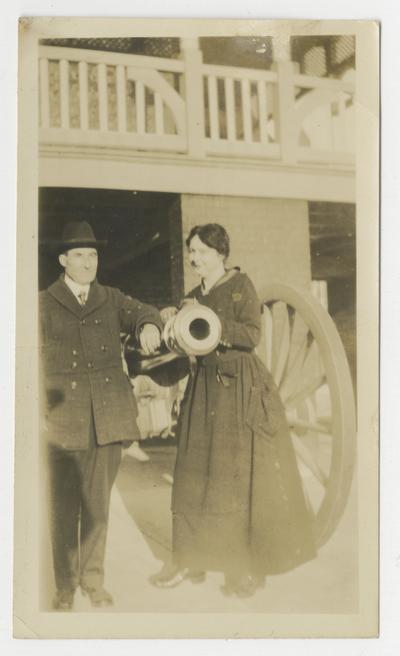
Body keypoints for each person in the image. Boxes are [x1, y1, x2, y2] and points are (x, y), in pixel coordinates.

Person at [150, 223, 317, 597]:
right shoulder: (192, 296)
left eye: (202, 252)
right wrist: (168, 327)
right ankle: (189, 558)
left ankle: (245, 567)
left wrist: (215, 325)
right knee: (192, 473)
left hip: (238, 388)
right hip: (204, 390)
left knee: (236, 481)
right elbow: (183, 349)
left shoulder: (240, 286)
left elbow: (252, 335)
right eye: (192, 252)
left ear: (221, 254)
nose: (195, 259)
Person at [40, 220, 162, 611]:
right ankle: (64, 586)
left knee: (97, 507)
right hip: (63, 421)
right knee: (63, 508)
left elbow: (146, 312)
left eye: (93, 255)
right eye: (80, 255)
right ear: (64, 260)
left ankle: (93, 582)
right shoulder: (41, 302)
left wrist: (147, 325)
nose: (89, 262)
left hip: (107, 421)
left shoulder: (110, 298)